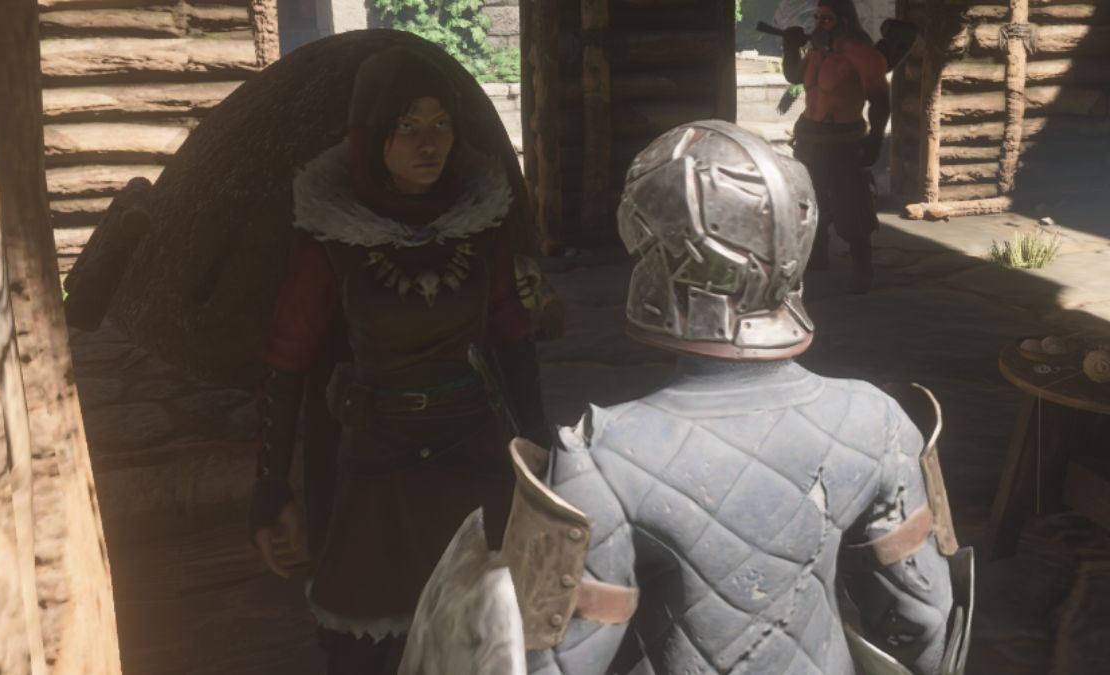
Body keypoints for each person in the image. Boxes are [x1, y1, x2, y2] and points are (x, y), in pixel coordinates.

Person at [400, 121, 972, 675]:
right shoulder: (880, 420)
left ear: (657, 256)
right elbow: (925, 621)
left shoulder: (598, 458)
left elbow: (553, 663)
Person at [247, 46, 550, 675]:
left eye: (440, 124)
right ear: (371, 135)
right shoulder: (331, 234)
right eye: (407, 126)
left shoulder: (482, 221)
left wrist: (540, 450)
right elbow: (288, 356)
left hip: (471, 454)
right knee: (363, 643)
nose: (428, 143)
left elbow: (511, 334)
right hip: (378, 463)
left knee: (484, 640)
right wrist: (272, 486)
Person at [783, 0, 890, 294]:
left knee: (851, 206)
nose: (819, 24)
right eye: (817, 17)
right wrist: (789, 47)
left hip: (843, 143)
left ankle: (863, 268)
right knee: (809, 201)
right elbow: (795, 77)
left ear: (844, 21)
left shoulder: (863, 54)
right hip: (809, 140)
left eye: (826, 19)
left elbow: (880, 101)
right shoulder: (816, 52)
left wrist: (875, 139)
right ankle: (817, 255)